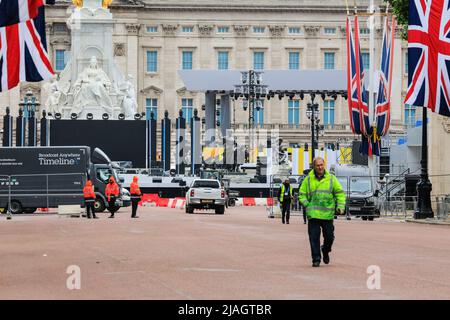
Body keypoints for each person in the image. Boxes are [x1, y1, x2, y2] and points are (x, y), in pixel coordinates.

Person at [298, 157, 346, 267]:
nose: (320, 167)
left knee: (329, 237)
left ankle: (325, 250)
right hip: (313, 214)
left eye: (321, 165)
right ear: (314, 167)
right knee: (314, 238)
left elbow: (339, 193)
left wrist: (340, 206)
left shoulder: (331, 178)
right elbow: (302, 194)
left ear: (324, 165)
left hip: (327, 214)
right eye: (317, 165)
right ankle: (316, 259)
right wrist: (307, 205)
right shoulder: (308, 179)